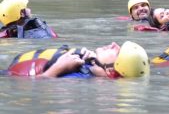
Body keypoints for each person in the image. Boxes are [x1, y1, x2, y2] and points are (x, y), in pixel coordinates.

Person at [7, 41, 150, 78]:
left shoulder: (77, 78)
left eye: (117, 51)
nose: (114, 44)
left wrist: (58, 68)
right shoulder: (88, 65)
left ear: (111, 71)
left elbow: (33, 85)